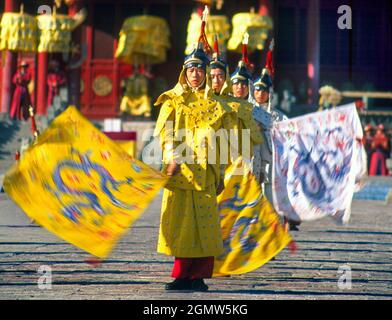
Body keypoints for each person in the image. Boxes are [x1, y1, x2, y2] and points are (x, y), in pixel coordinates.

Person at [153, 9, 228, 292]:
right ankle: (182, 275)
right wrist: (172, 155)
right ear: (184, 72)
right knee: (183, 224)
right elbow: (165, 132)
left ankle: (199, 277)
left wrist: (219, 170)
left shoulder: (217, 103)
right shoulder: (173, 100)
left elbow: (223, 139)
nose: (195, 74)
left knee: (204, 225)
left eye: (200, 69)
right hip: (182, 171)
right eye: (191, 69)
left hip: (206, 172)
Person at [207, 34, 263, 169]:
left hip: (242, 160)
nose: (240, 88)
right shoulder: (203, 101)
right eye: (236, 84)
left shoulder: (246, 107)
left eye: (244, 85)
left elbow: (272, 127)